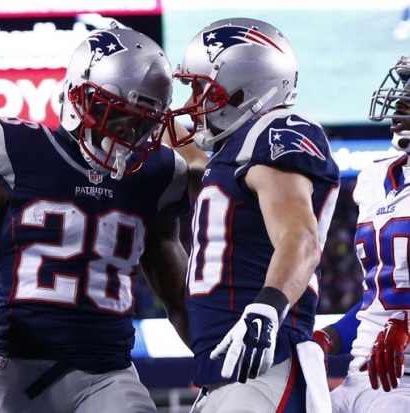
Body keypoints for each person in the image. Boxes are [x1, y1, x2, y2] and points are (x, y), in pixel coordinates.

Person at [0, 25, 192, 413]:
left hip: (110, 373)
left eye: (142, 122)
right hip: (16, 369)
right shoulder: (15, 149)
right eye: (116, 115)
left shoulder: (159, 175)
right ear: (80, 97)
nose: (127, 133)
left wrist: (217, 363)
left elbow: (178, 297)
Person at [164, 17, 341, 412]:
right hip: (228, 369)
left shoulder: (277, 129)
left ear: (244, 91)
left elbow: (301, 237)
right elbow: (189, 156)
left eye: (202, 89)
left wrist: (266, 309)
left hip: (266, 362)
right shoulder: (229, 155)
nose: (194, 102)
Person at [313, 54, 410, 413]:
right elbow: (381, 302)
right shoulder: (374, 179)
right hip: (360, 376)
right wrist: (329, 337)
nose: (400, 102)